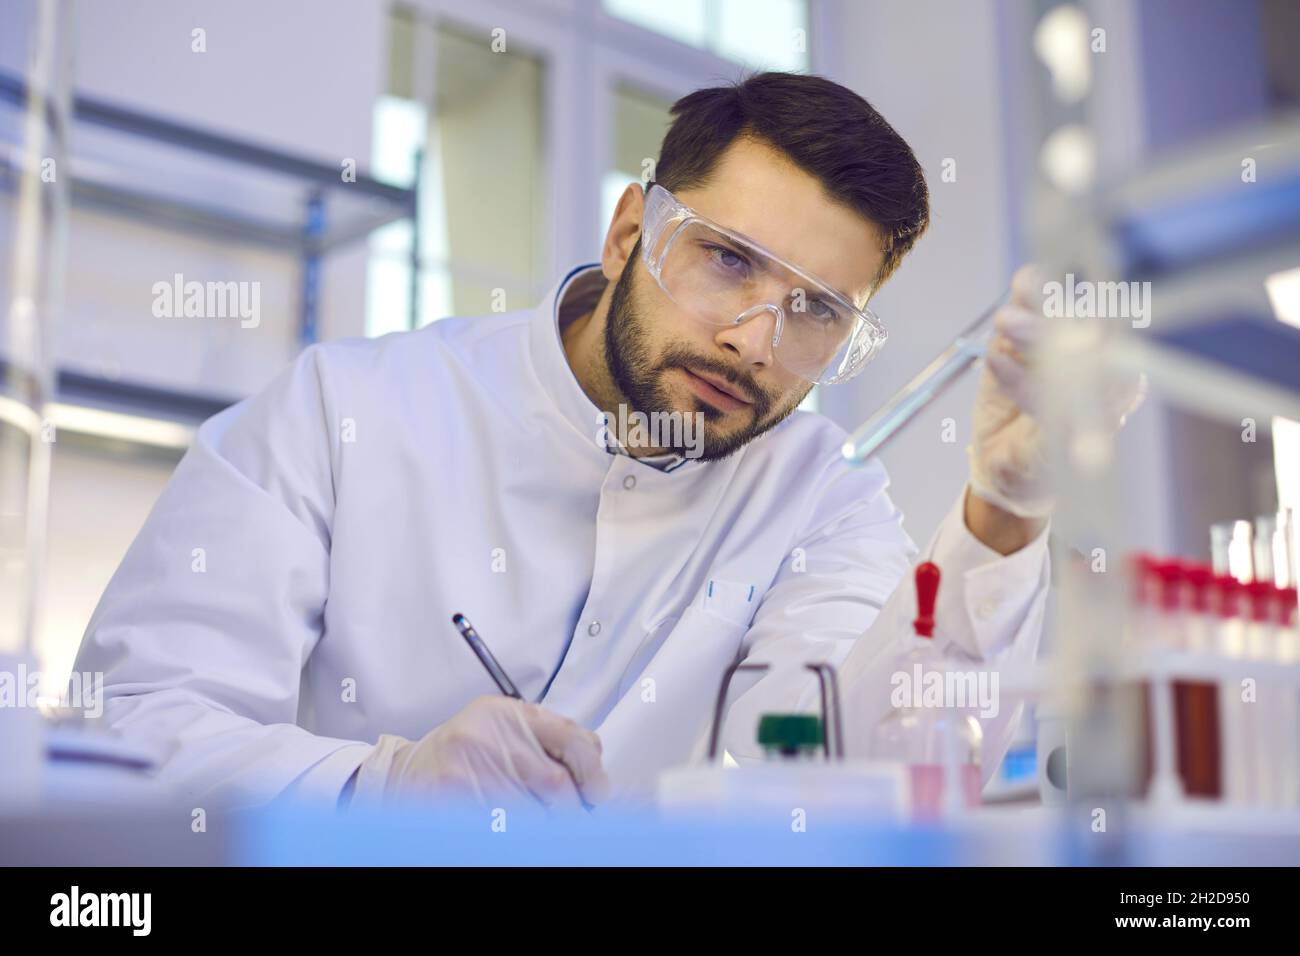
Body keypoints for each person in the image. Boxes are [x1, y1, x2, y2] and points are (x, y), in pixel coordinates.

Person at [73, 71, 1130, 813]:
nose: (752, 339)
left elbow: (874, 777)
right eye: (725, 259)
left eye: (814, 312)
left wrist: (1004, 507)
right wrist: (380, 789)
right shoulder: (341, 412)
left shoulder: (819, 496)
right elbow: (133, 728)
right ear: (630, 231)